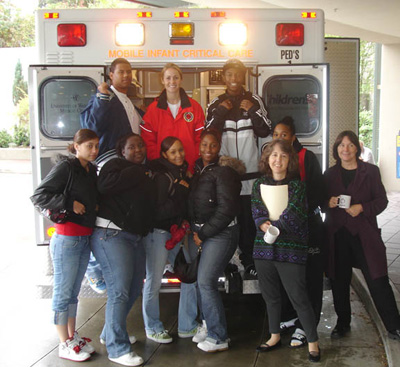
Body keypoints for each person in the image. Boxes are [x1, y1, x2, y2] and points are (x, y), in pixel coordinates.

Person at [324, 130, 400, 341]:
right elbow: (319, 200)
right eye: (341, 145)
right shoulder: (329, 174)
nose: (345, 149)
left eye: (349, 145)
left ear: (357, 148)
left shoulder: (371, 172)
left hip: (364, 234)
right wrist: (327, 202)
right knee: (339, 281)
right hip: (338, 234)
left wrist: (362, 208)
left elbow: (382, 201)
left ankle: (394, 325)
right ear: (336, 149)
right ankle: (342, 323)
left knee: (377, 278)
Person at [30, 129, 99, 362]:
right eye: (89, 145)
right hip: (67, 238)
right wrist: (69, 203)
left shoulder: (91, 170)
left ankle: (71, 337)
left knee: (73, 292)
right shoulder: (67, 168)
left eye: (96, 146)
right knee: (62, 291)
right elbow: (39, 195)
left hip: (84, 237)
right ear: (76, 145)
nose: (94, 150)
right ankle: (63, 343)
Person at [251, 139, 320, 363]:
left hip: (292, 250)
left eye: (283, 156)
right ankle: (274, 336)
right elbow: (256, 207)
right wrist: (262, 223)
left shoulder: (298, 186)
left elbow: (296, 213)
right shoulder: (258, 183)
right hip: (263, 249)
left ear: (289, 160)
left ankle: (313, 343)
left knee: (299, 296)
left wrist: (275, 227)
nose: (277, 160)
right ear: (267, 159)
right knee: (270, 297)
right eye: (273, 155)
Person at [90, 133, 156, 366]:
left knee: (135, 286)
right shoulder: (114, 165)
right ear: (122, 150)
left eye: (141, 146)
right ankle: (117, 348)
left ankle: (110, 333)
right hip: (111, 234)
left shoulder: (145, 173)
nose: (138, 150)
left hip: (134, 237)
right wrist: (138, 171)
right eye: (132, 147)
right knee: (119, 290)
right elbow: (105, 186)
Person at [80, 57, 144, 294]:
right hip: (109, 164)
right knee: (100, 215)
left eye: (129, 72)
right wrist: (102, 96)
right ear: (110, 75)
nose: (126, 76)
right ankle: (94, 268)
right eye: (121, 72)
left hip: (126, 167)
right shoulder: (105, 97)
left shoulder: (127, 101)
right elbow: (89, 123)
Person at [206, 58, 272, 276]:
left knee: (248, 220)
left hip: (250, 176)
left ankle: (250, 261)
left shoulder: (254, 100)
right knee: (225, 219)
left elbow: (265, 131)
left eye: (237, 74)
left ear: (243, 76)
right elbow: (207, 134)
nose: (234, 79)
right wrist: (220, 114)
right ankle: (226, 262)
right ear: (224, 77)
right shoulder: (216, 103)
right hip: (224, 177)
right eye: (229, 75)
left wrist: (253, 111)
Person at [188, 128, 244, 352]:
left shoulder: (224, 172)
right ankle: (207, 325)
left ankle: (218, 336)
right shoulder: (197, 170)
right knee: (202, 282)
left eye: (212, 145)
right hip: (202, 233)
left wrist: (202, 234)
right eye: (204, 145)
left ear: (219, 147)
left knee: (206, 281)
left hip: (220, 233)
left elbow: (226, 210)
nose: (207, 149)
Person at [271, 116, 325, 348]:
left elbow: (318, 193)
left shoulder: (307, 158)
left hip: (308, 228)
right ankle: (290, 318)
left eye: (284, 135)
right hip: (284, 231)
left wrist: (297, 215)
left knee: (310, 279)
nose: (279, 139)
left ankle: (306, 326)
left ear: (293, 137)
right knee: (288, 278)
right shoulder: (274, 161)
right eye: (275, 135)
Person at [143, 136, 198, 344]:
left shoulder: (182, 172)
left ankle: (187, 325)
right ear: (164, 155)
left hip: (175, 234)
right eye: (173, 152)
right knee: (154, 282)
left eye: (180, 150)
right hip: (159, 234)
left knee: (188, 276)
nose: (178, 155)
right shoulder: (162, 176)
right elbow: (158, 211)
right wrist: (182, 193)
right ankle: (153, 327)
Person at [140, 63, 205, 172]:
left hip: (190, 168)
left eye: (176, 78)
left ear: (181, 79)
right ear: (162, 80)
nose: (172, 82)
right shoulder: (153, 110)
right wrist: (160, 165)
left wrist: (193, 163)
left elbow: (201, 138)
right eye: (168, 78)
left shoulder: (194, 107)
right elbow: (148, 141)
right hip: (163, 171)